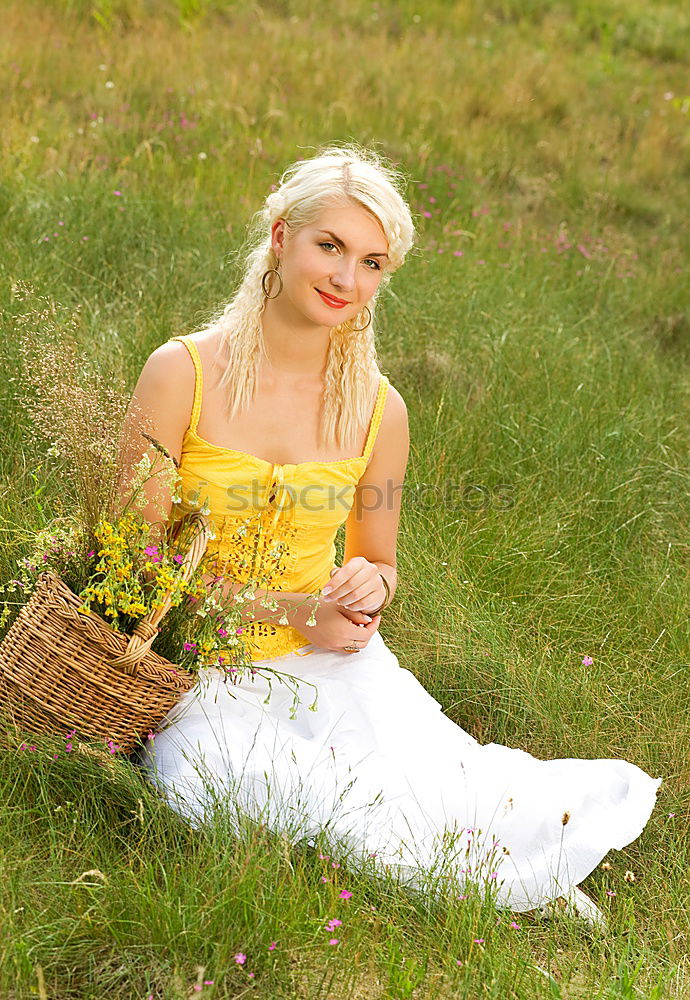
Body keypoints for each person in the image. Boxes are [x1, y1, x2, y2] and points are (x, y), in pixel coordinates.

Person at [124, 144, 660, 927]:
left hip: (328, 658)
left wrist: (370, 587)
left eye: (372, 262)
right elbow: (137, 571)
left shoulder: (379, 408)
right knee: (213, 782)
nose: (347, 280)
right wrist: (295, 612)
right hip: (191, 669)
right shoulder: (181, 373)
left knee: (442, 777)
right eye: (329, 247)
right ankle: (473, 880)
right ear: (280, 237)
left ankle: (505, 867)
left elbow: (378, 561)